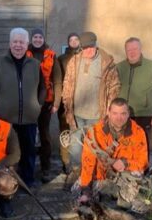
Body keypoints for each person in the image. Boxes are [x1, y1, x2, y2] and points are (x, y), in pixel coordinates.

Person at [0, 28, 46, 187]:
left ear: (27, 44)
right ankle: (5, 184)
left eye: (21, 42)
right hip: (6, 119)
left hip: (29, 119)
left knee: (28, 152)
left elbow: (43, 88)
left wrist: (37, 106)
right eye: (15, 42)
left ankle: (27, 181)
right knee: (5, 153)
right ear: (10, 43)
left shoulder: (35, 64)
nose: (18, 45)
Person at [61, 31, 120, 187]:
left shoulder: (107, 62)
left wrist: (109, 111)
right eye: (85, 47)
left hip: (97, 115)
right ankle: (76, 173)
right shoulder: (74, 61)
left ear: (96, 45)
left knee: (96, 148)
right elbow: (67, 84)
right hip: (77, 114)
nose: (88, 50)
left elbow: (114, 87)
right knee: (75, 148)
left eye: (91, 47)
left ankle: (95, 178)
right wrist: (67, 107)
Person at [77, 98, 149, 213]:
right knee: (83, 199)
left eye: (123, 113)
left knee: (130, 205)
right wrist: (85, 190)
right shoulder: (95, 133)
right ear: (108, 113)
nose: (119, 118)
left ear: (128, 114)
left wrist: (125, 163)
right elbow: (88, 163)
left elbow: (143, 162)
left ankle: (127, 199)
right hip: (101, 178)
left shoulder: (138, 132)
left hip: (124, 178)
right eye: (115, 113)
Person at [116, 37, 152, 156]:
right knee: (123, 147)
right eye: (129, 50)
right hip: (123, 115)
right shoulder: (119, 67)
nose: (132, 52)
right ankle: (126, 172)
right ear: (125, 51)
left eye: (135, 49)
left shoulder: (151, 66)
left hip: (145, 114)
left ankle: (143, 172)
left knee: (143, 147)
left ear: (140, 49)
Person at [26, 28, 61, 183]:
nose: (38, 39)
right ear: (31, 39)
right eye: (35, 37)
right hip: (28, 102)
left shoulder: (51, 56)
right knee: (27, 136)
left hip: (46, 102)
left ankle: (45, 168)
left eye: (40, 37)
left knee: (45, 135)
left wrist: (56, 102)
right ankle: (26, 168)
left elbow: (58, 80)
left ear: (43, 39)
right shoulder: (24, 54)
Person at [56, 33, 80, 175]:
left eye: (76, 39)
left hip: (81, 101)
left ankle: (78, 162)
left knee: (79, 132)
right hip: (66, 101)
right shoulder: (61, 59)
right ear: (67, 42)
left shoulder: (85, 57)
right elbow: (58, 80)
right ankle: (66, 162)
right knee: (65, 132)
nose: (73, 41)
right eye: (71, 39)